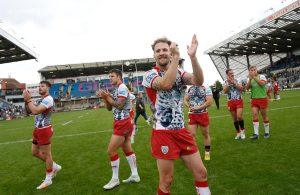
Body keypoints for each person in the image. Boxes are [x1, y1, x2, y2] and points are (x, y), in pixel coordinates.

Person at [142, 35, 211, 195]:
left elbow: (198, 81)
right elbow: (165, 84)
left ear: (170, 52)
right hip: (163, 133)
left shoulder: (179, 72)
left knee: (201, 173)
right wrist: (176, 59)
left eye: (165, 49)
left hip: (181, 131)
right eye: (158, 51)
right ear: (154, 55)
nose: (161, 53)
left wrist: (193, 58)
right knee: (166, 181)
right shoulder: (149, 75)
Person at [99, 69, 140, 190]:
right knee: (127, 148)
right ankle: (135, 175)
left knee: (111, 150)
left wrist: (108, 97)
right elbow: (109, 108)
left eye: (112, 76)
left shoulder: (122, 87)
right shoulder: (115, 89)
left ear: (119, 77)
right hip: (120, 122)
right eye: (109, 76)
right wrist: (105, 98)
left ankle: (115, 179)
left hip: (123, 122)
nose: (110, 78)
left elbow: (120, 105)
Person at [22, 81, 61, 190]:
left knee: (47, 154)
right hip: (37, 129)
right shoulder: (40, 99)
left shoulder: (48, 99)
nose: (40, 88)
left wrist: (29, 100)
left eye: (42, 86)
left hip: (44, 129)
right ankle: (55, 166)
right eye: (39, 86)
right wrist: (26, 101)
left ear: (48, 88)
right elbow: (28, 112)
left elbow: (35, 111)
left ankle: (48, 179)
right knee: (34, 152)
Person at [184, 85, 213, 160]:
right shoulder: (190, 88)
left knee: (205, 134)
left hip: (202, 114)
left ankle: (207, 154)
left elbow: (209, 101)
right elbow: (185, 99)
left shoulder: (205, 87)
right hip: (192, 115)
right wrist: (188, 106)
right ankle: (194, 155)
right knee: (191, 135)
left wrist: (198, 107)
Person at [246, 65, 270, 140]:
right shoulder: (249, 79)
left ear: (256, 70)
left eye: (254, 70)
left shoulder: (261, 76)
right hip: (254, 99)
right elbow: (247, 88)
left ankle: (267, 132)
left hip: (262, 99)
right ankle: (256, 134)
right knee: (255, 115)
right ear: (249, 71)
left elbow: (262, 84)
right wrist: (250, 79)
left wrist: (254, 77)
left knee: (264, 116)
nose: (253, 71)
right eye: (251, 70)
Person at [223, 69, 246, 140]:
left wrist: (234, 83)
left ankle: (242, 131)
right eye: (230, 73)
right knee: (235, 119)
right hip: (230, 101)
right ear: (227, 74)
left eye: (233, 73)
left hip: (238, 100)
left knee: (239, 116)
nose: (232, 74)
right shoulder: (225, 82)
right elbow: (225, 91)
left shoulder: (237, 80)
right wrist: (229, 84)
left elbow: (242, 89)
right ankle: (238, 133)